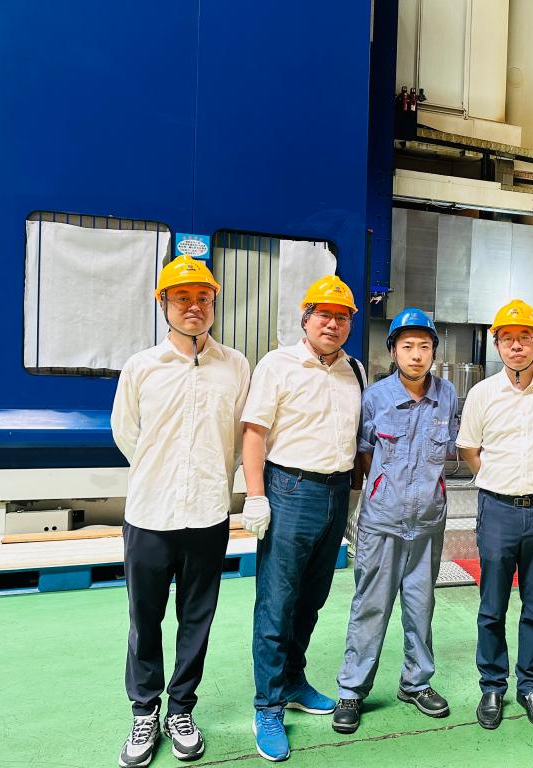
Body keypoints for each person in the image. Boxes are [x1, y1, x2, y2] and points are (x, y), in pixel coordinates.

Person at [112, 254, 251, 768]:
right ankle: (144, 711)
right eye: (182, 297)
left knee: (197, 619)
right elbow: (126, 434)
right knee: (145, 619)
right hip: (150, 514)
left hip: (208, 514)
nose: (194, 306)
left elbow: (238, 438)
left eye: (203, 298)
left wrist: (213, 477)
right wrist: (161, 472)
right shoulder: (141, 367)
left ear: (214, 303)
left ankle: (181, 710)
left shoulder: (235, 366)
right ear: (163, 303)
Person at [240, 275, 366, 762]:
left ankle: (293, 681)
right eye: (324, 315)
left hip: (335, 492)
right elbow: (254, 433)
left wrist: (353, 498)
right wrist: (256, 496)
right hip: (290, 490)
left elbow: (356, 439)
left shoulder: (354, 370)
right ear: (306, 319)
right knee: (277, 602)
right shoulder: (277, 365)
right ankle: (268, 706)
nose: (332, 324)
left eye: (342, 317)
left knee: (312, 598)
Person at [456, 299, 533, 731]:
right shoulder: (482, 394)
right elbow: (469, 449)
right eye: (507, 338)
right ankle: (493, 686)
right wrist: (496, 479)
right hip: (497, 510)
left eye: (524, 338)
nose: (516, 346)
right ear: (497, 344)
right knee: (492, 606)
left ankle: (530, 687)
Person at [331, 308, 459, 734]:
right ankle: (352, 689)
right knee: (370, 607)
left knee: (421, 608)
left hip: (428, 524)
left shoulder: (447, 396)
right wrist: (385, 491)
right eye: (407, 346)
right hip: (382, 523)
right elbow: (366, 455)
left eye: (424, 346)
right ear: (393, 351)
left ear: (434, 352)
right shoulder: (375, 398)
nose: (416, 354)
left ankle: (415, 683)